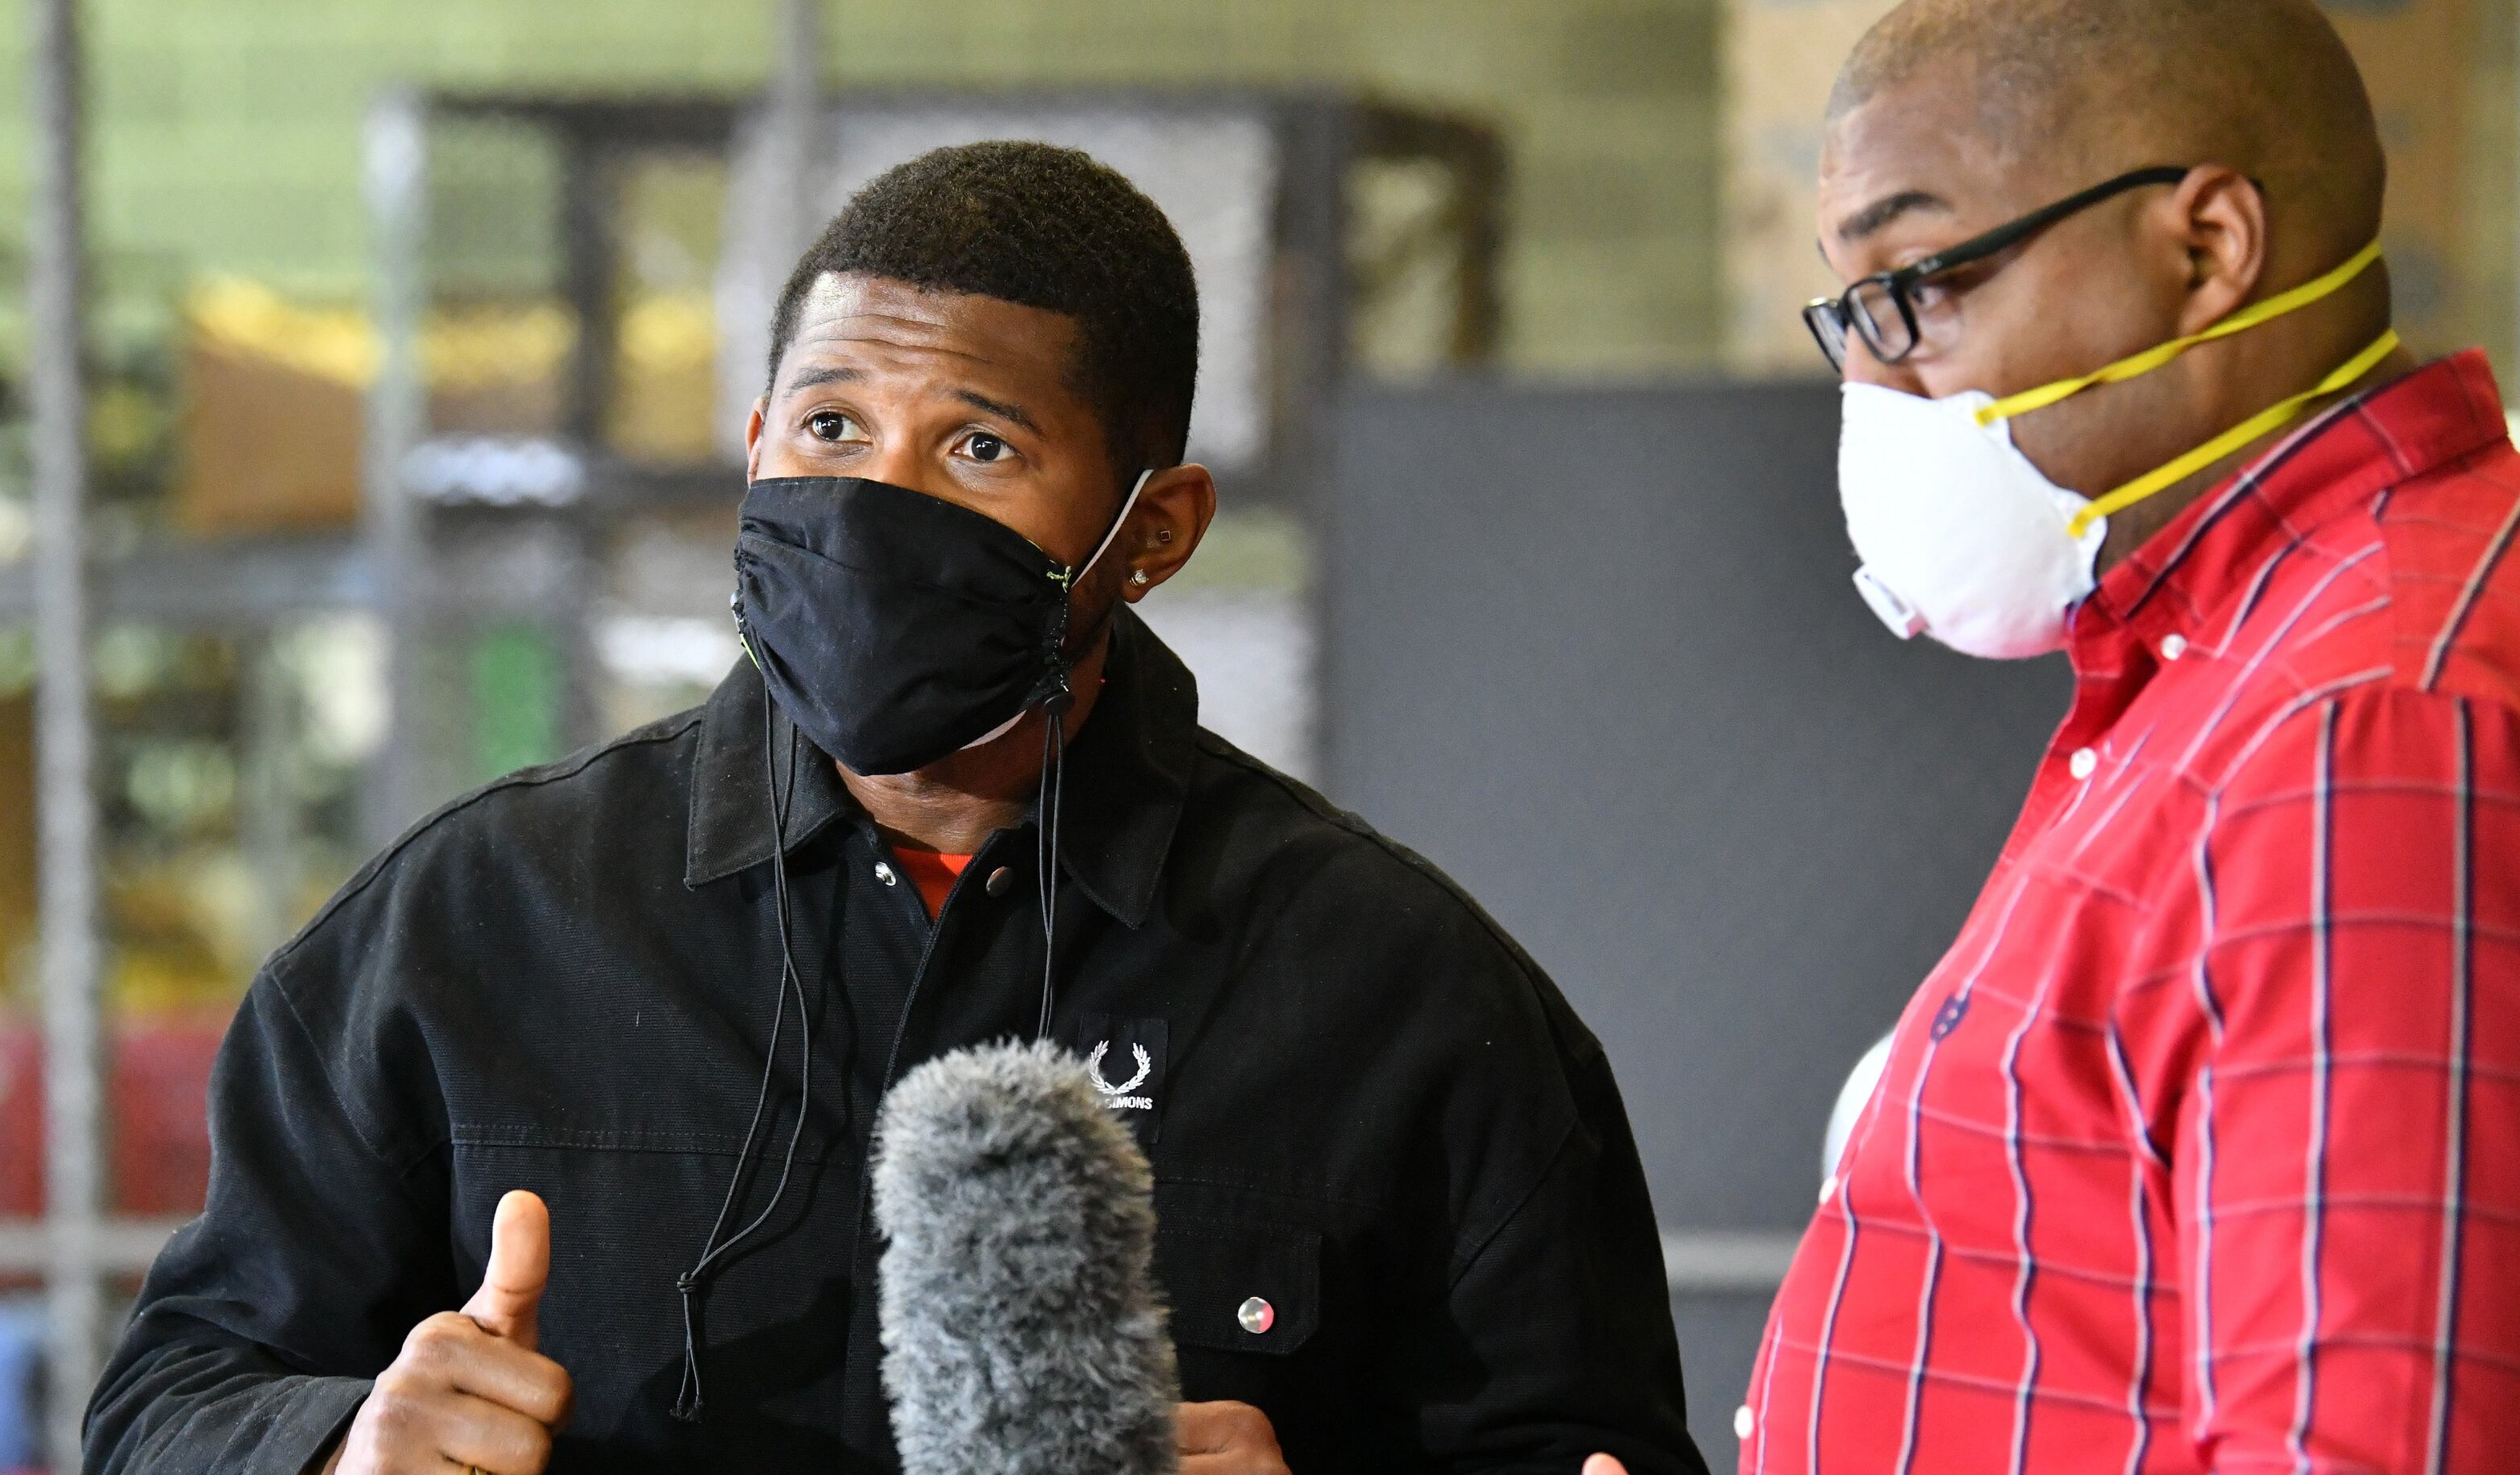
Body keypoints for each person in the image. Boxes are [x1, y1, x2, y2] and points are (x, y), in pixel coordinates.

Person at [88, 141, 1707, 1475]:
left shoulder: (1397, 997)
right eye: (834, 428)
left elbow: (1590, 1449)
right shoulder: (470, 930)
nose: (878, 507)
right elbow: (167, 1406)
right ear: (753, 445)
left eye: (983, 446)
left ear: (1154, 533)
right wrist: (339, 1447)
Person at [1601, 0, 2520, 1475]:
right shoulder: (2226, 664)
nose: (1875, 395)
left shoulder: (2383, 734)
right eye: (1850, 314)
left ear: (2205, 249)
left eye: (1921, 288)